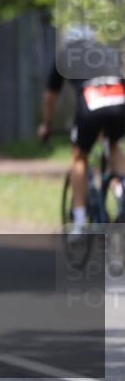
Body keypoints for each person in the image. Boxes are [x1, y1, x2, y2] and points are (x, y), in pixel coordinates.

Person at [38, 33, 125, 233]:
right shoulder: (106, 51)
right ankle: (122, 188)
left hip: (92, 102)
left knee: (79, 157)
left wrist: (46, 124)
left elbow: (50, 97)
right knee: (112, 144)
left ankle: (78, 222)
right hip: (119, 99)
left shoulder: (66, 55)